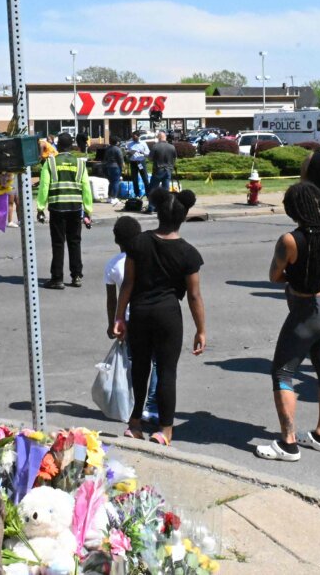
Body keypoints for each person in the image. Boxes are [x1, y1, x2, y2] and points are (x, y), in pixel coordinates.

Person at [255, 183, 320, 462]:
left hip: (308, 309)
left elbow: (275, 276)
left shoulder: (290, 240)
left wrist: (298, 275)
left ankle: (288, 443)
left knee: (283, 373)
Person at [112, 189, 205, 446]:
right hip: (168, 314)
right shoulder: (188, 253)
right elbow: (194, 296)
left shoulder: (138, 243)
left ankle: (134, 424)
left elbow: (127, 283)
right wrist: (201, 329)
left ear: (158, 213)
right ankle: (164, 430)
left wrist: (119, 317)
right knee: (166, 372)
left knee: (140, 368)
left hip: (140, 312)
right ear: (183, 217)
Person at [104, 216, 158, 423]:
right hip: (150, 314)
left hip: (127, 320)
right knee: (157, 361)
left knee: (135, 363)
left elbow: (112, 299)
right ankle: (152, 406)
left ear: (116, 240)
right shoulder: (148, 257)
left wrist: (112, 323)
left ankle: (133, 403)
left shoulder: (112, 265)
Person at [37, 133, 93, 290]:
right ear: (72, 145)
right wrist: (88, 211)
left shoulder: (51, 163)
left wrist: (40, 208)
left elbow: (44, 186)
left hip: (57, 208)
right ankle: (76, 276)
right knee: (75, 242)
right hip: (75, 208)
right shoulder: (80, 164)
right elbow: (86, 188)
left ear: (58, 145)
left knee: (58, 243)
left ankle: (57, 278)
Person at [145, 131, 177, 213]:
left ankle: (151, 208)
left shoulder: (155, 146)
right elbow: (175, 159)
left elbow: (150, 158)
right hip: (168, 170)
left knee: (153, 189)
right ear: (165, 137)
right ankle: (164, 208)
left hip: (158, 170)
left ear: (159, 138)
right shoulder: (172, 147)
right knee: (165, 191)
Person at [103, 136, 126, 206]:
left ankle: (109, 197)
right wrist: (122, 166)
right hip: (116, 167)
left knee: (111, 182)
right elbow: (120, 158)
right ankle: (114, 197)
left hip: (108, 166)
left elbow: (105, 158)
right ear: (117, 142)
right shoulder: (117, 149)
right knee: (116, 182)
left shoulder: (108, 149)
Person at [127, 132, 150, 197]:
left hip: (140, 162)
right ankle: (136, 194)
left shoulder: (143, 143)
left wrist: (142, 152)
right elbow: (127, 153)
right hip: (133, 162)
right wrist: (129, 153)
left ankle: (148, 194)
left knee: (145, 178)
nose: (133, 138)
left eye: (134, 137)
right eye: (132, 137)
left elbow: (148, 153)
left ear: (138, 136)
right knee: (134, 179)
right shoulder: (129, 144)